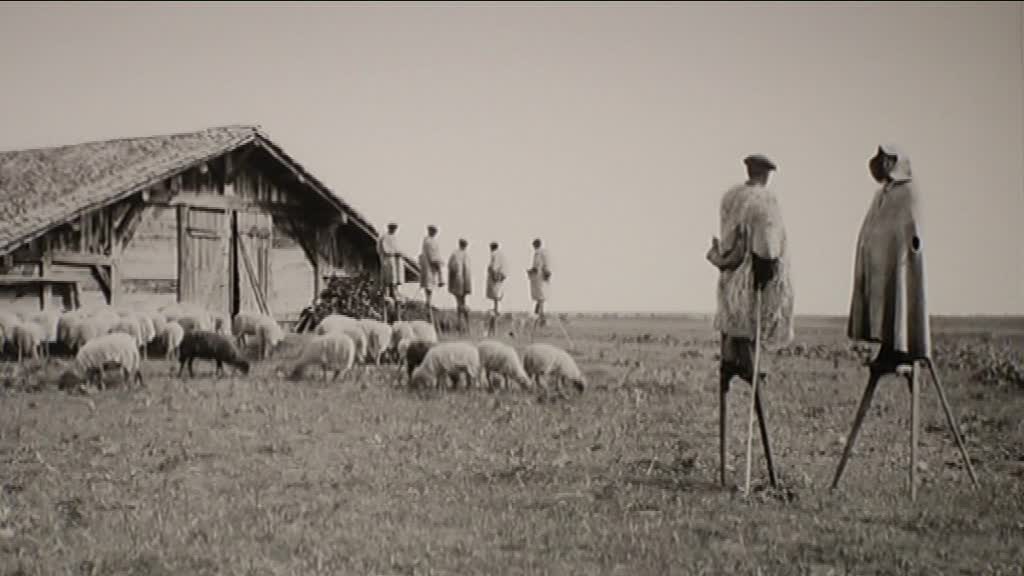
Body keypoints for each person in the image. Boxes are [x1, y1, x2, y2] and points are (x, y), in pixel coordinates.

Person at [705, 153, 794, 488]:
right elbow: (768, 249)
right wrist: (768, 274)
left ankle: (733, 359)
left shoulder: (731, 198)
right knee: (751, 357)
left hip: (730, 288)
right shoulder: (764, 201)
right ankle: (743, 361)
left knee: (732, 338)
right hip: (753, 289)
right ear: (767, 174)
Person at [848, 144, 930, 370]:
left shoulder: (908, 192)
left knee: (899, 299)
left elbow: (912, 225)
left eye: (887, 159)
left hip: (899, 260)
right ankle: (887, 347)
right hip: (878, 263)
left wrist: (906, 248)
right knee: (881, 304)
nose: (882, 164)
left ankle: (900, 349)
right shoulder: (882, 194)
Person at [418, 225, 445, 323]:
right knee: (429, 293)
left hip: (429, 270)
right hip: (430, 270)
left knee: (429, 293)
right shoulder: (430, 242)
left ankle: (429, 316)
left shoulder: (427, 241)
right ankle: (429, 318)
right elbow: (434, 258)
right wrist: (440, 267)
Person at [377, 223, 404, 320]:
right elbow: (386, 250)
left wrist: (399, 253)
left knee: (395, 287)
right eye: (392, 228)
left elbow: (397, 250)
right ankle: (385, 315)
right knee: (388, 285)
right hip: (388, 262)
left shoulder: (394, 238)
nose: (394, 230)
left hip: (395, 264)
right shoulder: (385, 237)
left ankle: (397, 315)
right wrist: (395, 252)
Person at [447, 238, 473, 334]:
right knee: (462, 304)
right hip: (462, 283)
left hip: (459, 283)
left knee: (460, 305)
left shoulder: (456, 254)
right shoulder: (464, 255)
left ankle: (462, 327)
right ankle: (464, 327)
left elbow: (451, 267)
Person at [526, 238, 551, 327]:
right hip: (541, 278)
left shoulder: (538, 253)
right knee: (540, 299)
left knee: (540, 298)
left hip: (538, 278)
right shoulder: (544, 253)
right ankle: (538, 316)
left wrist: (530, 272)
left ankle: (541, 319)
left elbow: (536, 266)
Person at [485, 242, 507, 336]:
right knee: (496, 301)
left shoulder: (495, 254)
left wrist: (494, 276)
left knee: (495, 301)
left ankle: (494, 329)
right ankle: (493, 329)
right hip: (498, 279)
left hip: (495, 280)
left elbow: (494, 267)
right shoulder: (501, 255)